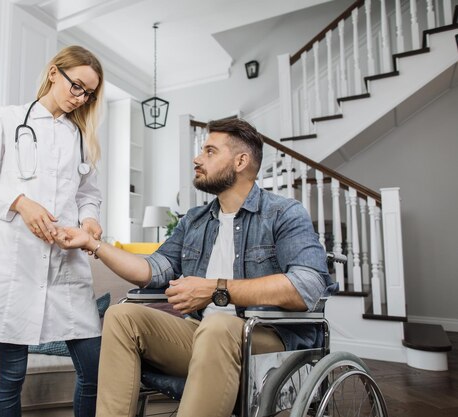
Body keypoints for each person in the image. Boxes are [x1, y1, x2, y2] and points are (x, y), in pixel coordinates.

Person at [54, 117, 337, 417]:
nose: (197, 159)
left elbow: (307, 285)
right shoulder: (194, 220)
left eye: (210, 152)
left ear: (241, 161)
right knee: (122, 316)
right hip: (201, 333)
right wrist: (93, 244)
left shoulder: (283, 213)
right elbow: (152, 270)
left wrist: (216, 290)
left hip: (268, 338)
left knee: (218, 326)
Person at [0, 45, 105, 417]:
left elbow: (89, 194)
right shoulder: (7, 119)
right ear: (55, 72)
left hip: (67, 263)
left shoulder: (80, 137)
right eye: (77, 86)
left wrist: (89, 219)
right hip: (14, 263)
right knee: (9, 376)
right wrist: (21, 202)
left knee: (95, 371)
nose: (80, 98)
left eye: (88, 93)